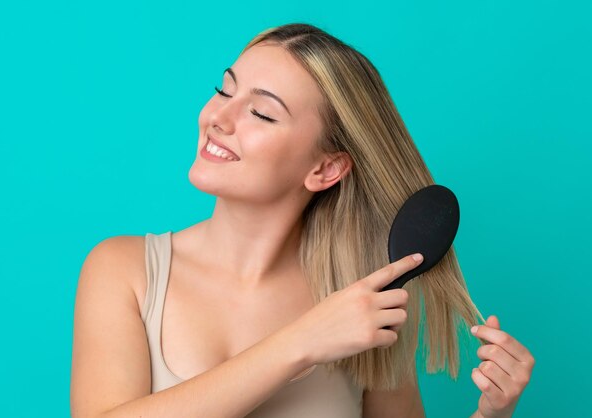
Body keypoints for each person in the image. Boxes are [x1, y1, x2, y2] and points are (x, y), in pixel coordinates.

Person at [70, 23, 535, 418]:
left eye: (260, 113)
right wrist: (301, 342)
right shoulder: (124, 270)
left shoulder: (364, 302)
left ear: (325, 169)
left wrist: (490, 415)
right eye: (224, 90)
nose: (219, 118)